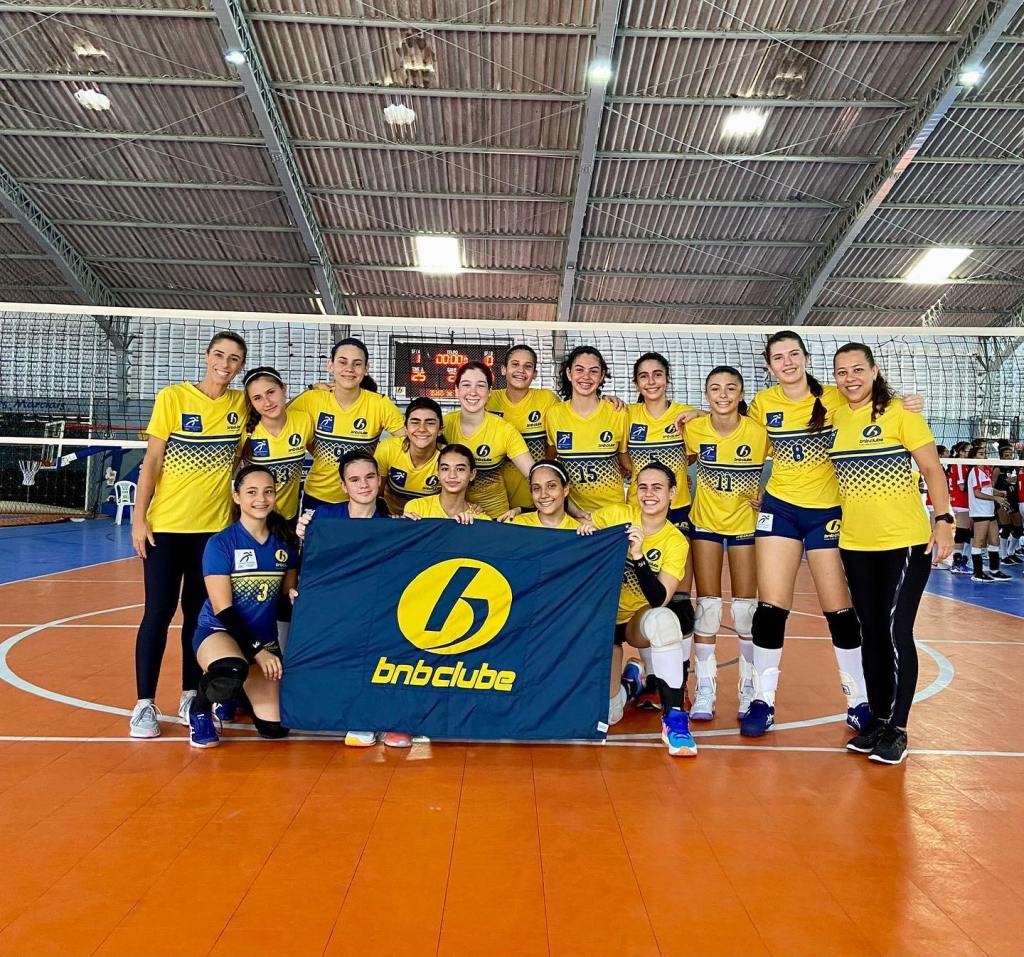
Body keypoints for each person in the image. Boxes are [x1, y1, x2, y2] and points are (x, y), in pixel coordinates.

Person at [739, 330, 879, 737]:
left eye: (793, 354)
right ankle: (763, 701)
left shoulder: (835, 398)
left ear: (806, 357)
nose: (787, 362)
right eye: (778, 357)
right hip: (780, 509)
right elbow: (733, 431)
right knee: (771, 607)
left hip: (827, 513)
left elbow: (879, 406)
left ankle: (858, 701)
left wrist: (910, 403)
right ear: (769, 367)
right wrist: (697, 416)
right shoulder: (763, 404)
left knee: (839, 610)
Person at [829, 344, 954, 764]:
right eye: (842, 372)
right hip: (855, 543)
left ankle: (898, 729)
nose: (850, 378)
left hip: (904, 542)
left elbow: (932, 468)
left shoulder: (901, 412)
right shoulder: (835, 416)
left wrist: (944, 519)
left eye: (858, 369)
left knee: (897, 631)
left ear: (874, 370)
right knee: (872, 632)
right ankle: (879, 719)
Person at [129, 331, 248, 739]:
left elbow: (278, 406)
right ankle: (144, 704)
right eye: (219, 355)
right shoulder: (173, 398)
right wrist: (139, 519)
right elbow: (152, 461)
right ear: (206, 356)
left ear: (240, 366)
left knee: (197, 617)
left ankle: (189, 695)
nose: (225, 364)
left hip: (212, 533)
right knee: (158, 613)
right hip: (166, 529)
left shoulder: (240, 405)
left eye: (234, 359)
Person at [297, 449, 414, 748]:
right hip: (334, 611)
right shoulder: (323, 518)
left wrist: (414, 529)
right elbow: (308, 563)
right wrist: (296, 586)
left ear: (379, 481)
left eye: (370, 477)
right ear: (343, 485)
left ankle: (389, 718)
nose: (364, 485)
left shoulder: (392, 523)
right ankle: (358, 715)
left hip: (376, 611)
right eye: (355, 479)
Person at [580, 463, 694, 757]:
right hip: (603, 622)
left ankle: (675, 719)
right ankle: (632, 682)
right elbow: (578, 528)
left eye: (657, 488)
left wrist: (638, 556)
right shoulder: (617, 516)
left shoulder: (675, 541)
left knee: (664, 619)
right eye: (642, 487)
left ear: (672, 493)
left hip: (636, 620)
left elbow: (658, 599)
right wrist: (585, 529)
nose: (649, 494)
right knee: (610, 715)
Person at [186, 465, 299, 749]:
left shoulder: (285, 542)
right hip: (219, 632)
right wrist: (259, 652)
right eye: (251, 492)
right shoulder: (221, 543)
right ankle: (200, 709)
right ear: (237, 497)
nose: (261, 499)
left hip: (264, 639)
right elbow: (223, 609)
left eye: (268, 492)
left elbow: (285, 597)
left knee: (275, 729)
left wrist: (299, 595)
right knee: (231, 670)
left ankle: (236, 695)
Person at [681, 366, 769, 722]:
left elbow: (791, 464)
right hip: (705, 524)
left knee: (746, 613)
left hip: (745, 526)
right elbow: (678, 460)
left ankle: (748, 689)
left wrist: (769, 495)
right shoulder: (694, 429)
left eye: (731, 388)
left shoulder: (759, 432)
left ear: (741, 393)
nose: (723, 394)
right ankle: (705, 688)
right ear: (707, 394)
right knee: (708, 609)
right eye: (715, 388)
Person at [626, 352, 698, 709]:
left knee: (677, 602)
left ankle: (677, 685)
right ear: (636, 383)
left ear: (668, 379)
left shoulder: (685, 414)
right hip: (639, 513)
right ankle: (651, 678)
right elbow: (620, 455)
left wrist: (701, 414)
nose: (651, 381)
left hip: (677, 511)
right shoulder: (626, 415)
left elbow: (700, 449)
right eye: (644, 376)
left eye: (657, 374)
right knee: (638, 591)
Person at [289, 337, 404, 510]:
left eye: (357, 364)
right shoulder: (312, 398)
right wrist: (309, 389)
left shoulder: (380, 404)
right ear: (330, 365)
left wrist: (381, 468)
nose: (349, 369)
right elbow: (277, 418)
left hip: (361, 498)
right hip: (318, 496)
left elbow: (407, 442)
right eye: (342, 362)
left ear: (366, 369)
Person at [546, 346, 631, 519]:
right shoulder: (554, 414)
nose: (586, 376)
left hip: (612, 512)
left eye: (593, 371)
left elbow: (626, 461)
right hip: (572, 513)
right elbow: (549, 460)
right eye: (579, 370)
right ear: (569, 373)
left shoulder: (617, 412)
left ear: (602, 376)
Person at [443, 362, 532, 518]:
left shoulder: (504, 430)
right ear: (456, 390)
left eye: (480, 385)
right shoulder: (443, 426)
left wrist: (523, 510)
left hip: (495, 518)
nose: (473, 392)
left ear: (489, 391)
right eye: (466, 385)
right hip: (450, 517)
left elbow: (535, 474)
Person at [487, 345, 561, 511]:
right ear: (504, 369)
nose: (521, 370)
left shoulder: (547, 400)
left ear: (534, 374)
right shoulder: (489, 400)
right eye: (515, 364)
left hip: (534, 499)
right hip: (494, 500)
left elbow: (568, 423)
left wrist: (604, 399)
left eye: (528, 366)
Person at [238, 366, 313, 523]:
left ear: (283, 388)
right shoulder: (244, 430)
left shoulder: (303, 421)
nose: (267, 402)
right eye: (257, 398)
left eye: (271, 392)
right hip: (255, 518)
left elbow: (318, 453)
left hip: (289, 517)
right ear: (251, 402)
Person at [374, 398, 445, 516]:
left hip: (428, 521)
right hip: (392, 518)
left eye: (430, 423)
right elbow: (376, 496)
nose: (422, 429)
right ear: (406, 428)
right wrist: (387, 518)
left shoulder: (447, 457)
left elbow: (450, 503)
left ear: (440, 430)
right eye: (415, 422)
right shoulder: (389, 449)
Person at [403, 444, 492, 523]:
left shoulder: (482, 520)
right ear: (438, 473)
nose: (452, 475)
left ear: (472, 474)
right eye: (445, 469)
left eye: (460, 469)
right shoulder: (417, 507)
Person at [967, 456, 1010, 582]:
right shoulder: (975, 471)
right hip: (979, 511)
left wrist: (998, 492)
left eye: (984, 453)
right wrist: (995, 498)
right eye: (981, 453)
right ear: (974, 457)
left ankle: (994, 570)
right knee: (979, 541)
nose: (984, 456)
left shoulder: (985, 470)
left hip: (989, 510)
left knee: (995, 540)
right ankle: (977, 573)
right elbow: (977, 493)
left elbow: (988, 489)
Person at [509, 459, 580, 530]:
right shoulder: (515, 525)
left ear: (565, 490)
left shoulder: (578, 531)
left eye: (551, 486)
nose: (543, 495)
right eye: (536, 488)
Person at [947, 442, 973, 574]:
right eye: (969, 451)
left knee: (968, 534)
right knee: (963, 533)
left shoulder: (963, 463)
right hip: (961, 502)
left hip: (963, 502)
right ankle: (957, 563)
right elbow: (962, 487)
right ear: (961, 452)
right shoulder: (959, 464)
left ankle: (962, 561)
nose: (971, 453)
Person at [993, 444, 1022, 566]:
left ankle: (1011, 552)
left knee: (1019, 528)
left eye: (1010, 455)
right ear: (1001, 457)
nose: (1009, 457)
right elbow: (991, 486)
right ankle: (1003, 555)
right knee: (1006, 527)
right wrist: (1004, 483)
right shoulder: (997, 469)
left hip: (1014, 500)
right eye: (1006, 456)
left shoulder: (1015, 466)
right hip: (1002, 501)